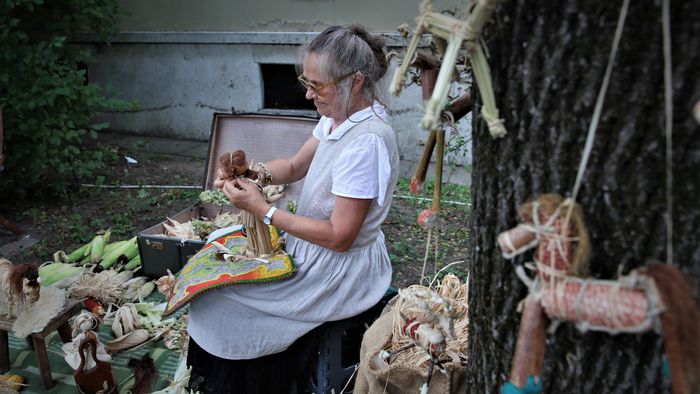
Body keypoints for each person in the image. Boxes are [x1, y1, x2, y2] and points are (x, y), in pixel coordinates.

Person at [186, 24, 399, 393]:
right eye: (307, 81)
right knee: (212, 259)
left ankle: (255, 383)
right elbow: (297, 165)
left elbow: (340, 237)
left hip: (338, 271)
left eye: (317, 85)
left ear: (357, 80)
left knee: (219, 301)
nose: (307, 93)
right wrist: (256, 174)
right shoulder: (338, 116)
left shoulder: (366, 143)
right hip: (316, 250)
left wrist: (263, 209)